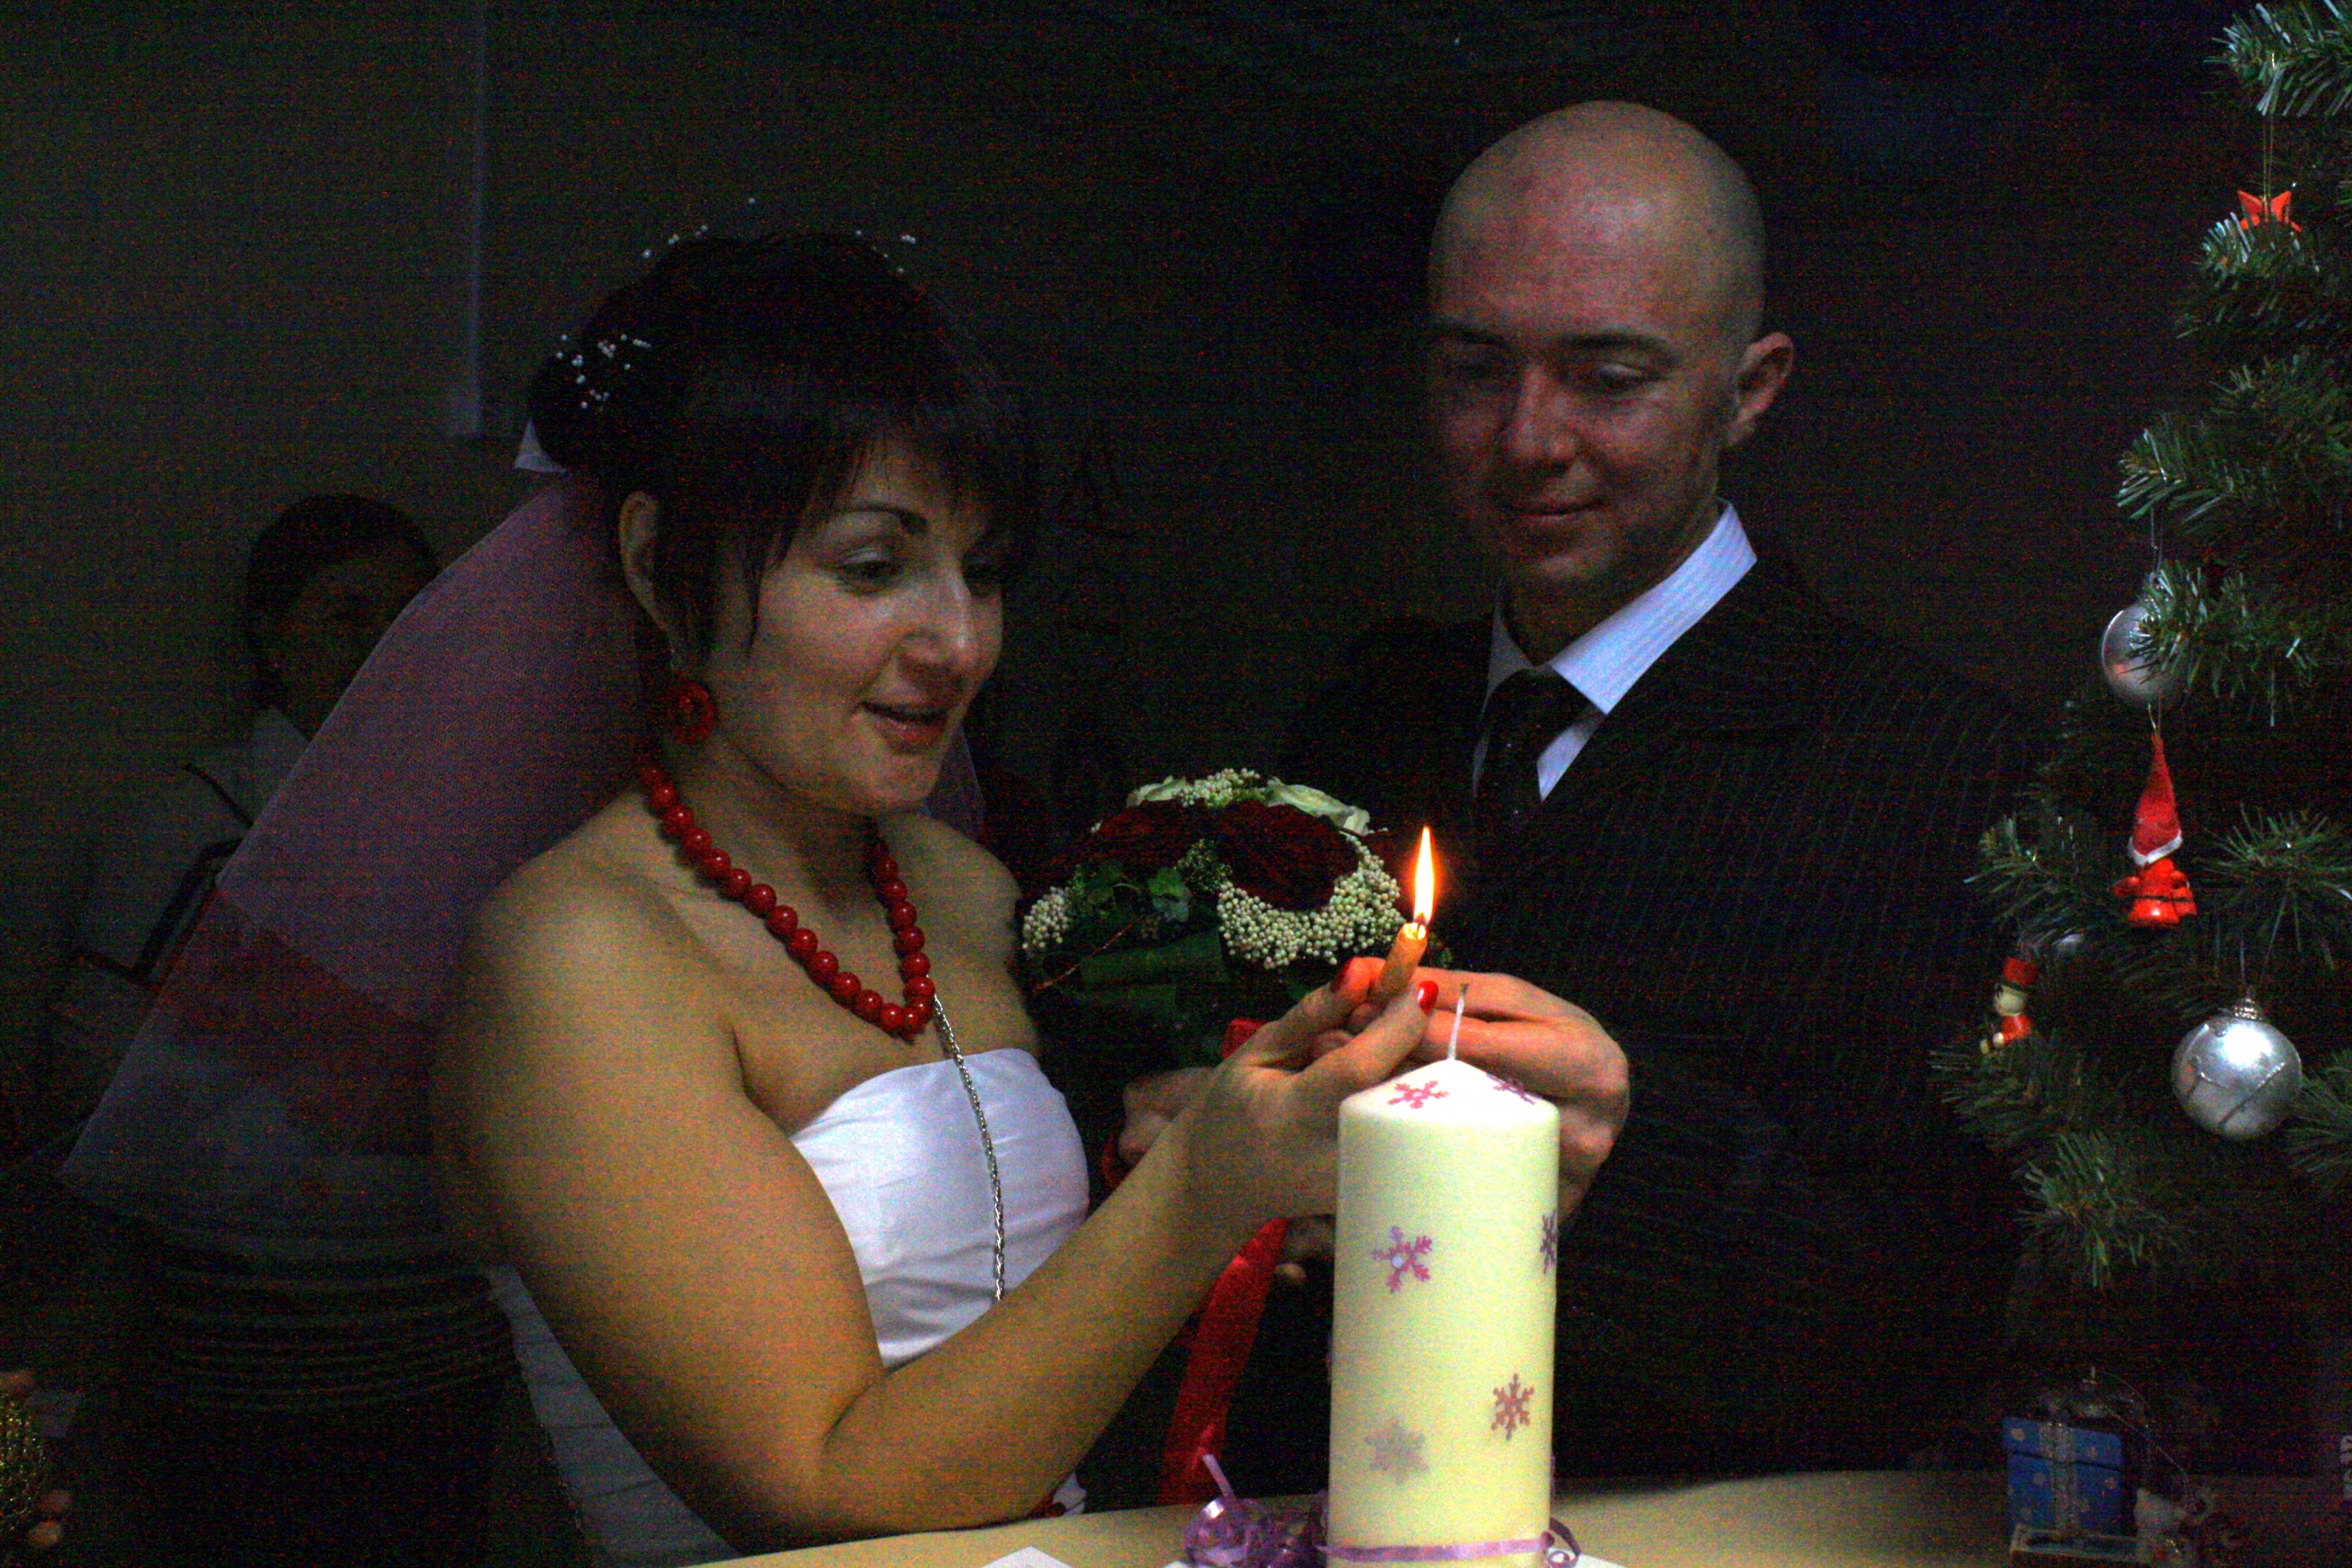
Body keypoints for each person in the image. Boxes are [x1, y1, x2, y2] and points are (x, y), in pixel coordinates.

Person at [46, 233, 1618, 1565]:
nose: (958, 642)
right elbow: (821, 1489)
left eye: (981, 571)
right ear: (658, 567)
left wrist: (1248, 1150)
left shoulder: (958, 878)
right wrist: (1197, 1187)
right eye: (875, 568)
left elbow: (1044, 1324)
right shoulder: (577, 955)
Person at [1165, 101, 2030, 1486]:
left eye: (1607, 378)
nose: (1527, 439)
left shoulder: (1947, 770)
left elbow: (1936, 1326)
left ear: (1750, 389)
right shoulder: (1364, 712)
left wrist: (1612, 1164)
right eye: (1473, 370)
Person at [24, 495, 437, 1153]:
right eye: (346, 617)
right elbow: (89, 1083)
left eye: (408, 620)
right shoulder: (195, 829)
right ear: (274, 639)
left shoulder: (451, 824)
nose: (383, 649)